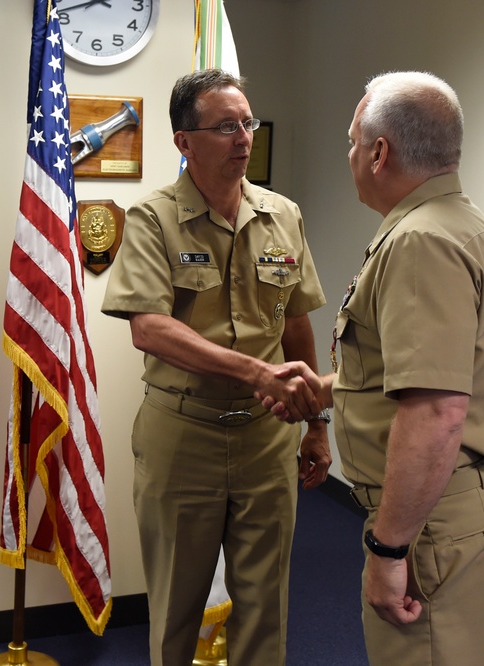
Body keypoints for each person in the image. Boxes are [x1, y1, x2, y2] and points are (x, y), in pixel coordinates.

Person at [268, 71, 484, 665]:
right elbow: (429, 375)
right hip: (465, 506)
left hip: (437, 525)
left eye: (350, 142)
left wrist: (388, 551)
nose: (348, 155)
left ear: (378, 152)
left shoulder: (420, 242)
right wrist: (328, 389)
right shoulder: (458, 223)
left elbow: (438, 412)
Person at [101, 68, 332, 666]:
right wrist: (256, 372)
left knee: (265, 608)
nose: (244, 137)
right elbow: (148, 328)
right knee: (176, 609)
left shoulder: (283, 215)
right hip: (184, 438)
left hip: (266, 440)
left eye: (247, 123)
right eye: (225, 126)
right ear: (184, 141)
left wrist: (317, 424)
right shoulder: (152, 218)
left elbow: (297, 323)